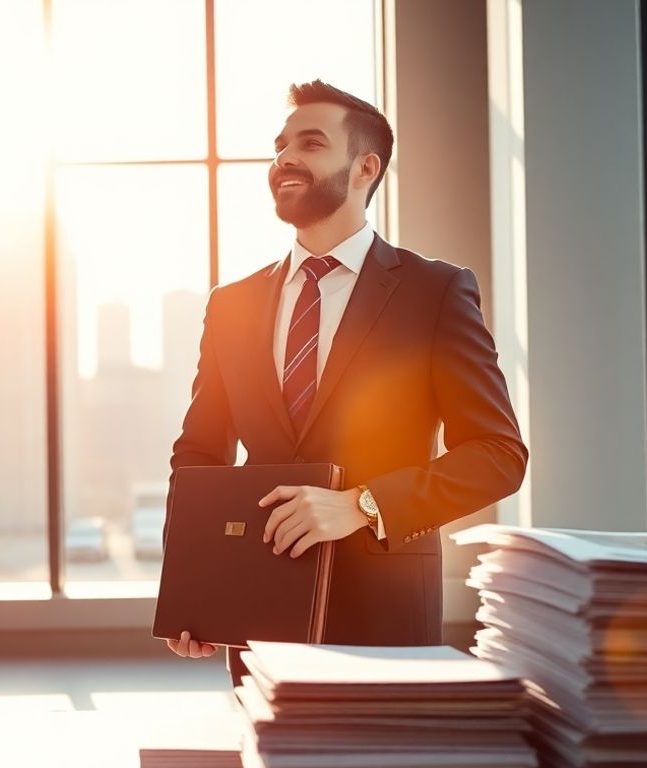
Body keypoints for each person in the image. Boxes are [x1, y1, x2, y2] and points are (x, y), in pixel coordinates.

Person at [163, 80, 527, 680]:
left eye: (310, 143)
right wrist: (193, 589)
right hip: (257, 609)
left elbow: (497, 456)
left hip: (384, 615)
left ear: (365, 168)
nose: (285, 158)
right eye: (280, 145)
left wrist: (362, 504)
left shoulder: (433, 292)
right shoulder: (232, 305)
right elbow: (200, 455)